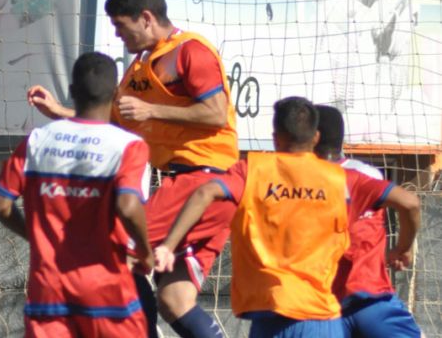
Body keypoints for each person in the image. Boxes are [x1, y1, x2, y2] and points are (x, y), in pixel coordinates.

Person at [28, 0, 238, 338]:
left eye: (121, 27)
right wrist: (60, 110)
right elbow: (116, 120)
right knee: (175, 300)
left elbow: (217, 114)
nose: (118, 35)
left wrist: (151, 110)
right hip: (189, 184)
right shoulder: (142, 65)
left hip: (203, 178)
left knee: (113, 250)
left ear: (145, 18)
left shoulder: (191, 51)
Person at [154, 96, 405, 337]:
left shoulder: (254, 171)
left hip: (272, 310)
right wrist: (402, 247)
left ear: (275, 139)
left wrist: (167, 245)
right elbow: (409, 202)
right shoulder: (341, 180)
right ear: (314, 137)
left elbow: (205, 192)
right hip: (323, 315)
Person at [0, 52, 154, 337]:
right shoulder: (128, 145)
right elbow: (128, 207)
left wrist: (35, 235)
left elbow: (1, 206)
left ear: (70, 92)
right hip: (109, 295)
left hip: (49, 295)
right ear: (116, 94)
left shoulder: (36, 141)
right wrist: (145, 253)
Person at [314, 105, 422, 338]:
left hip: (322, 308)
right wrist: (403, 249)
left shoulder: (296, 182)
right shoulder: (366, 175)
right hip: (371, 299)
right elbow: (410, 204)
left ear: (312, 137)